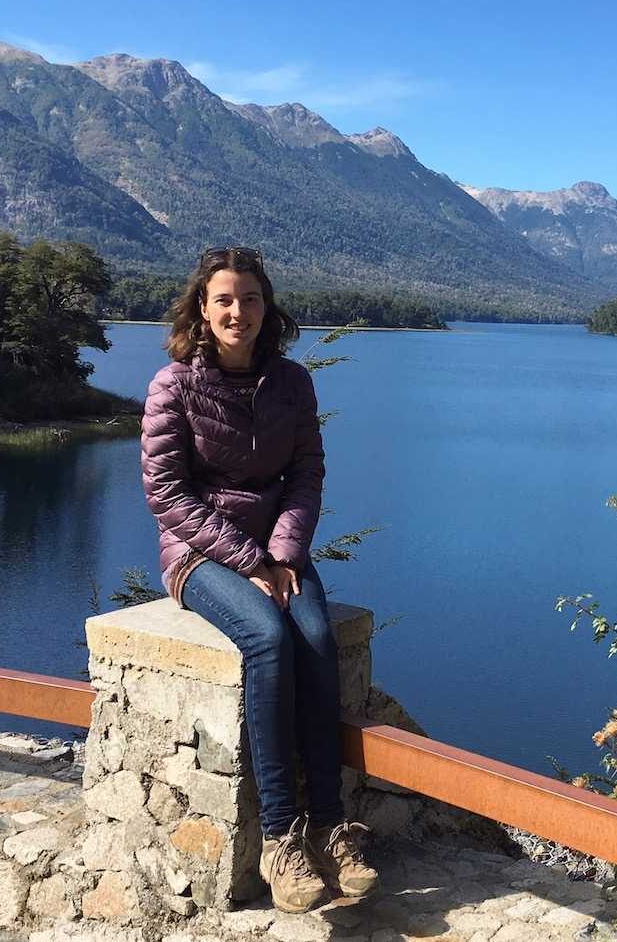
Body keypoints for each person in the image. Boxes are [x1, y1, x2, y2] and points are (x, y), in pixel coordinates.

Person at [140, 246, 377, 913]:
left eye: (249, 298)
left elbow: (306, 478)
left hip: (280, 550)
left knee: (317, 639)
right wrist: (249, 561)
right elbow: (167, 494)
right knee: (269, 638)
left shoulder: (293, 384)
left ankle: (330, 827)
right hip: (199, 554)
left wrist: (282, 554)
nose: (237, 310)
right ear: (202, 310)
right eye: (224, 299)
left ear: (266, 307)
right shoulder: (174, 387)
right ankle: (280, 839)